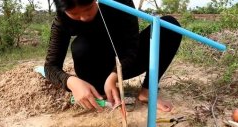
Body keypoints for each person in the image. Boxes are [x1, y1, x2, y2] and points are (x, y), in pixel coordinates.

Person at [44, 0, 182, 112]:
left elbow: (131, 48)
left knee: (169, 26)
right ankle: (100, 93)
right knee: (80, 46)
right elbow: (50, 66)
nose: (84, 17)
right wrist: (71, 81)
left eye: (88, 9)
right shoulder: (61, 20)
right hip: (96, 68)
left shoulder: (120, 2)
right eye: (74, 13)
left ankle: (147, 92)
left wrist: (115, 74)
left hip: (126, 61)